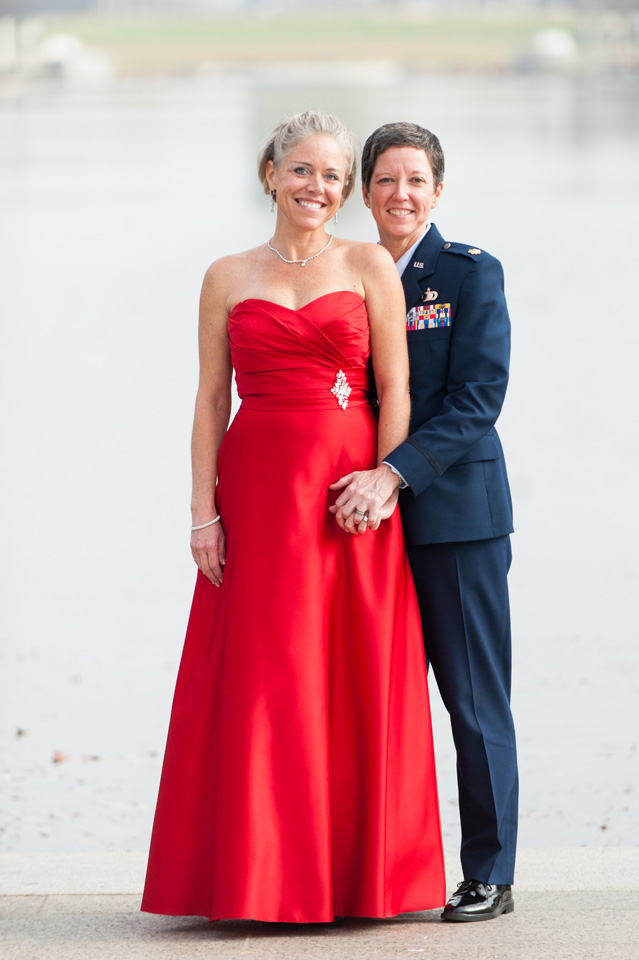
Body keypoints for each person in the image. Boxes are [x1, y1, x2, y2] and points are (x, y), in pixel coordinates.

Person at [141, 112, 445, 924]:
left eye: (334, 177)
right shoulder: (226, 274)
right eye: (303, 171)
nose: (319, 188)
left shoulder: (370, 264)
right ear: (270, 173)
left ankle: (357, 878)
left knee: (347, 672)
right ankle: (259, 876)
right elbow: (210, 399)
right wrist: (202, 512)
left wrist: (382, 484)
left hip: (346, 497)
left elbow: (398, 386)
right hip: (259, 494)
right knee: (267, 676)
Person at [330, 122, 518, 922]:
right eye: (384, 180)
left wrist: (394, 473)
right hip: (358, 527)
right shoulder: (345, 272)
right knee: (369, 697)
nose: (399, 194)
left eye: (415, 180)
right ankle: (367, 865)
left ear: (436, 191)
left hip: (452, 517)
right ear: (362, 192)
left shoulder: (467, 275)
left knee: (472, 699)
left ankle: (490, 872)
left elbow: (478, 400)